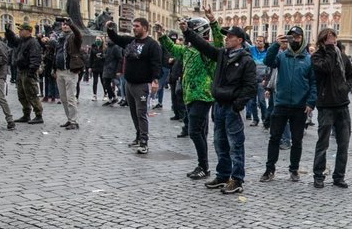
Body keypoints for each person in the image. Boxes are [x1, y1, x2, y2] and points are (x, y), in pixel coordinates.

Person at [183, 24, 256, 193]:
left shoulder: (246, 60)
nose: (226, 39)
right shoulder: (223, 54)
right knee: (219, 142)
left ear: (239, 40)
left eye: (230, 37)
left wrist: (238, 104)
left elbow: (250, 86)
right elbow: (204, 46)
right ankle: (223, 175)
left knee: (235, 144)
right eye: (226, 36)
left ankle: (237, 179)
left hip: (232, 106)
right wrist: (188, 32)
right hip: (219, 104)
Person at [161, 11, 222, 179]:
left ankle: (203, 166)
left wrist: (213, 22)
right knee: (199, 131)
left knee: (194, 131)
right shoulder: (188, 50)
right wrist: (162, 36)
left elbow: (219, 41)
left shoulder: (208, 50)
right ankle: (204, 166)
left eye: (190, 31)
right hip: (189, 94)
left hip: (202, 94)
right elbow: (173, 49)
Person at [260, 27, 316, 183]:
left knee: (297, 140)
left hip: (300, 106)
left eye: (297, 37)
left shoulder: (308, 59)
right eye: (291, 37)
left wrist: (311, 102)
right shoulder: (282, 56)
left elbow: (313, 83)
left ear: (302, 38)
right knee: (274, 138)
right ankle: (269, 169)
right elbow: (267, 61)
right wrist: (275, 44)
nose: (294, 39)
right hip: (281, 104)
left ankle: (294, 169)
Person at [106, 18, 164, 155]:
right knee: (133, 113)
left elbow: (156, 63)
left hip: (142, 84)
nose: (134, 28)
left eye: (137, 26)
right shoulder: (131, 41)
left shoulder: (152, 44)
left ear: (145, 28)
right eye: (134, 26)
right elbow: (116, 38)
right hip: (129, 83)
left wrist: (155, 80)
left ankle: (144, 142)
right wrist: (109, 29)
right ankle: (138, 136)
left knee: (141, 113)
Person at [310, 28, 352, 189]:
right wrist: (329, 49)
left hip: (342, 104)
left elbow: (351, 73)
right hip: (326, 105)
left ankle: (339, 176)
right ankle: (318, 175)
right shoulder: (317, 56)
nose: (333, 42)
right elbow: (327, 68)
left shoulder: (342, 56)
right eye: (329, 40)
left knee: (344, 143)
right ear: (323, 41)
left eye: (334, 39)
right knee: (323, 143)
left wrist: (345, 86)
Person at [4, 23, 43, 124]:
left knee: (31, 93)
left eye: (21, 30)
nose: (20, 32)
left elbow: (35, 58)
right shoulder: (22, 41)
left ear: (28, 31)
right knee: (21, 94)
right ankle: (26, 114)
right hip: (20, 70)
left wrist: (32, 71)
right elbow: (12, 41)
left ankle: (38, 115)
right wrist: (8, 32)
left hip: (28, 70)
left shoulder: (33, 42)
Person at [53, 18, 84, 130]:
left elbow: (78, 34)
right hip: (60, 70)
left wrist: (72, 25)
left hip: (70, 71)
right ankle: (69, 118)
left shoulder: (74, 37)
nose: (65, 26)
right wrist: (54, 69)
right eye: (63, 24)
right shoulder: (59, 38)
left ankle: (74, 121)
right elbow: (56, 54)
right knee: (63, 98)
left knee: (71, 97)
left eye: (67, 24)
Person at [247, 35, 270, 126]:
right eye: (256, 41)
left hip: (262, 80)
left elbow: (269, 67)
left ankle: (264, 118)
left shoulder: (267, 52)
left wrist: (266, 79)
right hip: (252, 80)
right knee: (252, 101)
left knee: (261, 101)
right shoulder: (252, 49)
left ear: (264, 43)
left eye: (260, 41)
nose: (258, 43)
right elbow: (244, 42)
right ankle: (255, 119)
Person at [101, 37, 122, 105]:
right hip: (107, 67)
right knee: (106, 83)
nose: (107, 39)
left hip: (112, 68)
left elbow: (119, 58)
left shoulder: (115, 47)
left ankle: (113, 97)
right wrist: (102, 56)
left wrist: (118, 69)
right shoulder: (108, 48)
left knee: (108, 83)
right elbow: (107, 56)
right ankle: (112, 97)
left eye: (109, 38)